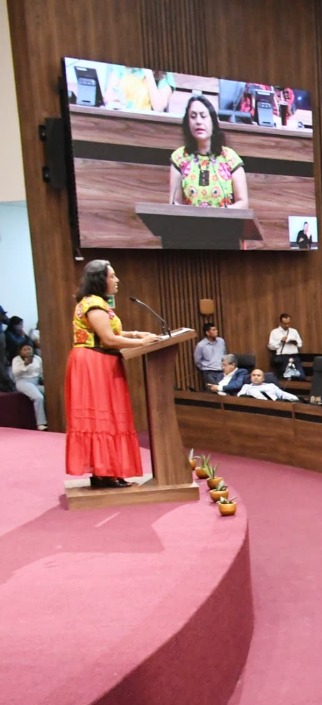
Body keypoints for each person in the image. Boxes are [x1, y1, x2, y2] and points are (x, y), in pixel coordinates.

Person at [63, 260, 158, 487]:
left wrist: (136, 334)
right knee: (101, 416)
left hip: (100, 362)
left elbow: (111, 332)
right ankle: (103, 472)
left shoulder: (96, 303)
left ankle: (106, 471)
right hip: (94, 365)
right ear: (100, 279)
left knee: (107, 416)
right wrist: (141, 342)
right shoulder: (94, 305)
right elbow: (108, 339)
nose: (117, 280)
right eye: (112, 276)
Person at [168, 95, 248, 210]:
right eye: (193, 117)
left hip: (224, 220)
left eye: (203, 116)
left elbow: (243, 203)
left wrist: (222, 213)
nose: (198, 121)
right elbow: (174, 203)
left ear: (213, 121)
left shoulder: (230, 158)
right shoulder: (179, 158)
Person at [11, 342, 45, 429]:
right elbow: (15, 373)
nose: (27, 351)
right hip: (23, 382)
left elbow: (41, 372)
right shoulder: (17, 360)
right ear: (20, 351)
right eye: (24, 350)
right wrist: (25, 364)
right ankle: (41, 423)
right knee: (38, 397)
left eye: (29, 349)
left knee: (50, 393)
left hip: (36, 382)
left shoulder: (37, 358)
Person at [190, 322, 227, 386]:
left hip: (222, 371)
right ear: (207, 333)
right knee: (214, 389)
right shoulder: (201, 345)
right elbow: (197, 360)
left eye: (216, 329)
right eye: (213, 330)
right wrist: (205, 368)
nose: (216, 331)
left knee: (222, 389)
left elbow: (224, 354)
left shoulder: (221, 341)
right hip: (209, 372)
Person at [268, 312, 302, 378]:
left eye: (288, 323)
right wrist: (280, 341)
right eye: (285, 324)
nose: (287, 325)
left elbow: (300, 344)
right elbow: (271, 346)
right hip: (283, 357)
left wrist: (295, 343)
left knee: (301, 376)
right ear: (280, 323)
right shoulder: (275, 332)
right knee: (288, 377)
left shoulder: (294, 331)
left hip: (294, 356)